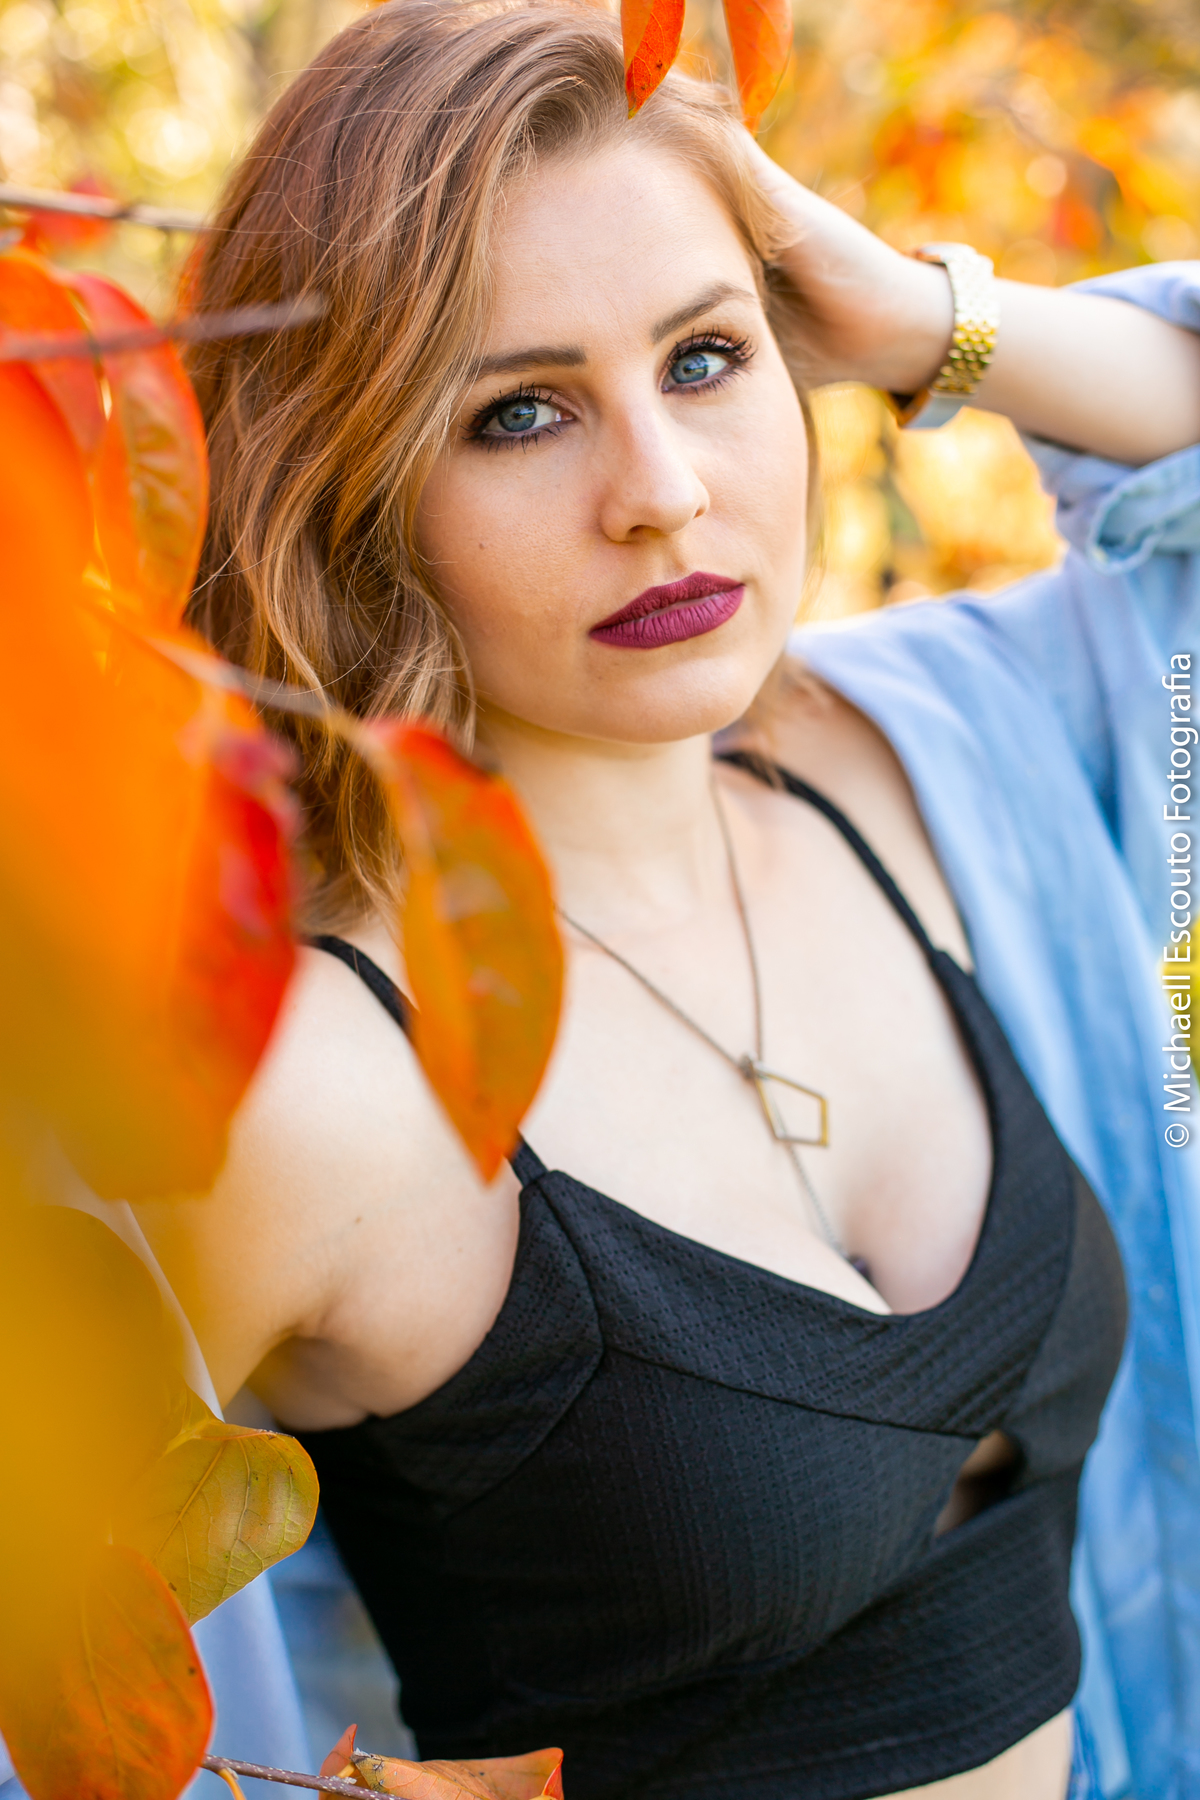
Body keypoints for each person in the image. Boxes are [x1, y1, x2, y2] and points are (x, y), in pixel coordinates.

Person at [134, 2, 1200, 1795]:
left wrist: (921, 316)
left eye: (706, 358)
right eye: (519, 412)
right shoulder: (314, 1081)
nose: (663, 493)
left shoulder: (918, 763)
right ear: (357, 482)